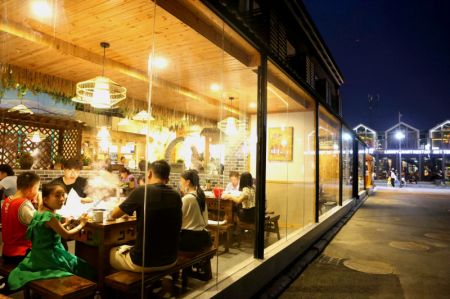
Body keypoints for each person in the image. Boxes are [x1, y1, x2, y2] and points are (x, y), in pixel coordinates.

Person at [7, 182, 95, 291]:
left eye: (63, 195)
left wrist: (66, 224)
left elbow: (48, 229)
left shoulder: (39, 212)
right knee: (84, 267)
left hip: (37, 255)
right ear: (45, 199)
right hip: (49, 257)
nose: (62, 199)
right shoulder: (50, 217)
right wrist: (82, 223)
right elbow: (66, 235)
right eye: (57, 195)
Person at [109, 160, 182, 272]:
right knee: (130, 247)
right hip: (171, 259)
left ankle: (108, 288)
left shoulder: (142, 191)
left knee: (111, 252)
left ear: (149, 173)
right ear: (167, 178)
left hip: (144, 262)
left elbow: (114, 214)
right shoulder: (176, 196)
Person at [1, 172, 40, 264]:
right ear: (31, 189)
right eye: (37, 188)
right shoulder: (24, 205)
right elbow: (40, 223)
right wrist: (41, 203)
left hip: (6, 252)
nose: (38, 191)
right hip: (21, 254)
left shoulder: (7, 200)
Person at [179, 170, 211, 251]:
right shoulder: (200, 195)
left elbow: (178, 220)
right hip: (202, 236)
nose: (180, 184)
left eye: (181, 181)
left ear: (187, 182)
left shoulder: (187, 198)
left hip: (189, 239)